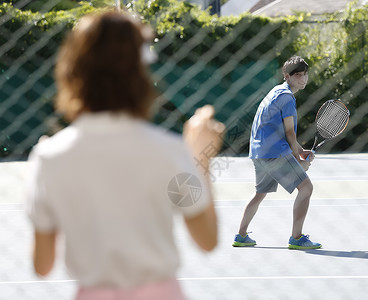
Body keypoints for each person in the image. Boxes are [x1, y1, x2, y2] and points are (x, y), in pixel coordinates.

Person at [26, 10, 225, 300]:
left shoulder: (49, 157)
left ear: (74, 71)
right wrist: (200, 158)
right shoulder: (168, 151)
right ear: (139, 74)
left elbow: (42, 265)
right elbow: (207, 239)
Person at [232, 56, 322, 250]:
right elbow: (289, 131)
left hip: (258, 151)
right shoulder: (287, 98)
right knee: (306, 188)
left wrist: (299, 150)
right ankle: (297, 238)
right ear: (287, 76)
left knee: (259, 194)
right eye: (298, 75)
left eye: (305, 74)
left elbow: (279, 129)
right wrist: (298, 159)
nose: (303, 79)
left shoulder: (276, 91)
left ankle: (241, 235)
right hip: (274, 152)